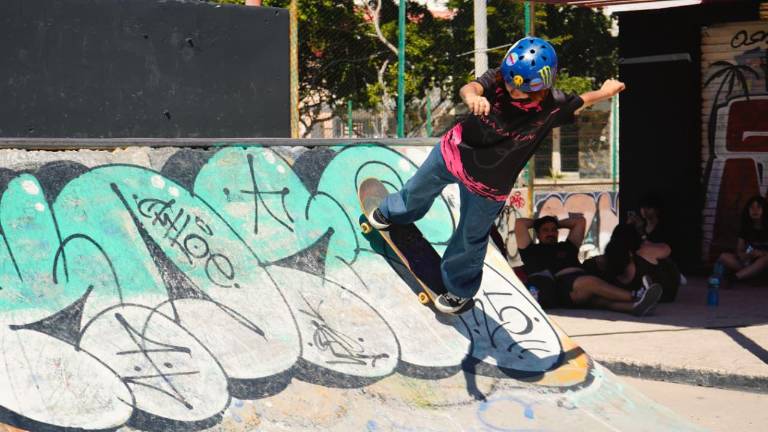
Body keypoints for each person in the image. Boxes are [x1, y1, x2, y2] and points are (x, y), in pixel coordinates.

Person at [366, 36, 626, 313]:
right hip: (454, 152)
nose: (511, 91)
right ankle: (394, 213)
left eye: (520, 90)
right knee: (418, 189)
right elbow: (472, 86)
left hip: (488, 184)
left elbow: (582, 100)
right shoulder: (501, 78)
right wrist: (472, 97)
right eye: (510, 83)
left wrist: (606, 92)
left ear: (539, 89)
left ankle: (459, 289)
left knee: (471, 238)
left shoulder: (553, 105)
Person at [516, 215, 662, 316]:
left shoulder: (567, 246)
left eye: (554, 230)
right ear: (538, 233)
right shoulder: (531, 251)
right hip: (562, 285)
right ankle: (636, 296)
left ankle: (635, 307)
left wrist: (554, 222)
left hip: (577, 284)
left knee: (601, 302)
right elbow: (520, 223)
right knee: (591, 283)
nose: (551, 233)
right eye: (545, 230)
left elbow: (580, 221)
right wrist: (542, 220)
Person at [584, 224, 678, 302]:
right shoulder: (643, 253)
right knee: (663, 260)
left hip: (638, 287)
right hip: (667, 292)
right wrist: (645, 241)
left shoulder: (606, 265)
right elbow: (667, 249)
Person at [717, 195, 768, 284]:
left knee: (766, 259)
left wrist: (761, 253)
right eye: (751, 208)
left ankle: (735, 278)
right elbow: (739, 250)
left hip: (765, 264)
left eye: (758, 207)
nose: (755, 210)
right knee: (723, 257)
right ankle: (749, 275)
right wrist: (745, 255)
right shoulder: (746, 228)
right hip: (750, 263)